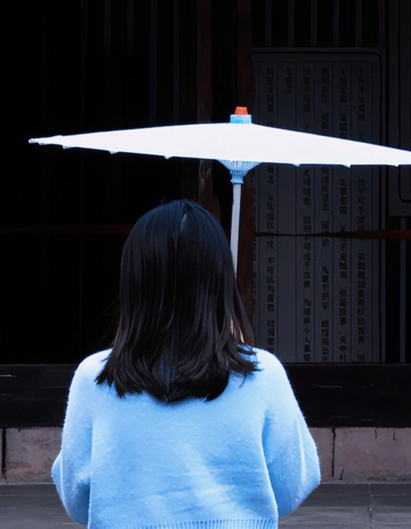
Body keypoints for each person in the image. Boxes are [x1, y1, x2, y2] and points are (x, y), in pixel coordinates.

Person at [53, 199, 321, 528]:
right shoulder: (263, 374)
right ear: (219, 280)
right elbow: (290, 487)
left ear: (133, 281)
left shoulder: (95, 377)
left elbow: (78, 500)